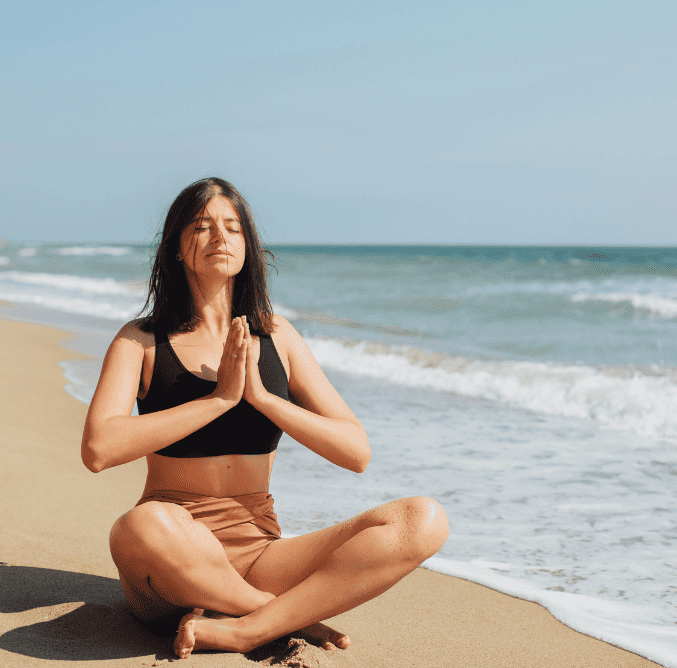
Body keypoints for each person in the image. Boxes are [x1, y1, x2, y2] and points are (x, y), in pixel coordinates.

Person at [81, 177, 448, 658]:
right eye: (202, 227)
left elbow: (356, 452)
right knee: (140, 526)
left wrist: (264, 398)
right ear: (175, 247)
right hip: (172, 558)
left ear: (247, 246)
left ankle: (243, 628)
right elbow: (98, 448)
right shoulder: (142, 340)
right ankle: (279, 616)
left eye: (233, 228)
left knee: (422, 519)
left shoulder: (278, 337)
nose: (220, 238)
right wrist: (216, 401)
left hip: (260, 554)